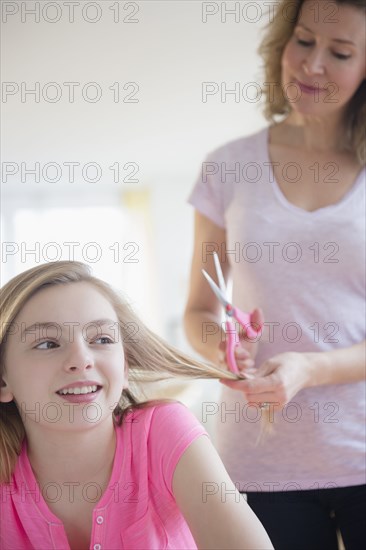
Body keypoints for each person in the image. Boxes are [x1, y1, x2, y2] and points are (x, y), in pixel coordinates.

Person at [184, 0, 365, 548]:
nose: (311, 66)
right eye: (304, 40)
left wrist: (310, 369)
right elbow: (199, 310)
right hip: (258, 459)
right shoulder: (228, 167)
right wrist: (222, 347)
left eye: (339, 52)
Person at [0, 261, 273, 550]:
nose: (81, 360)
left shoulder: (164, 431)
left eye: (102, 339)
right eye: (47, 344)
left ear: (125, 367)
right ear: (3, 379)